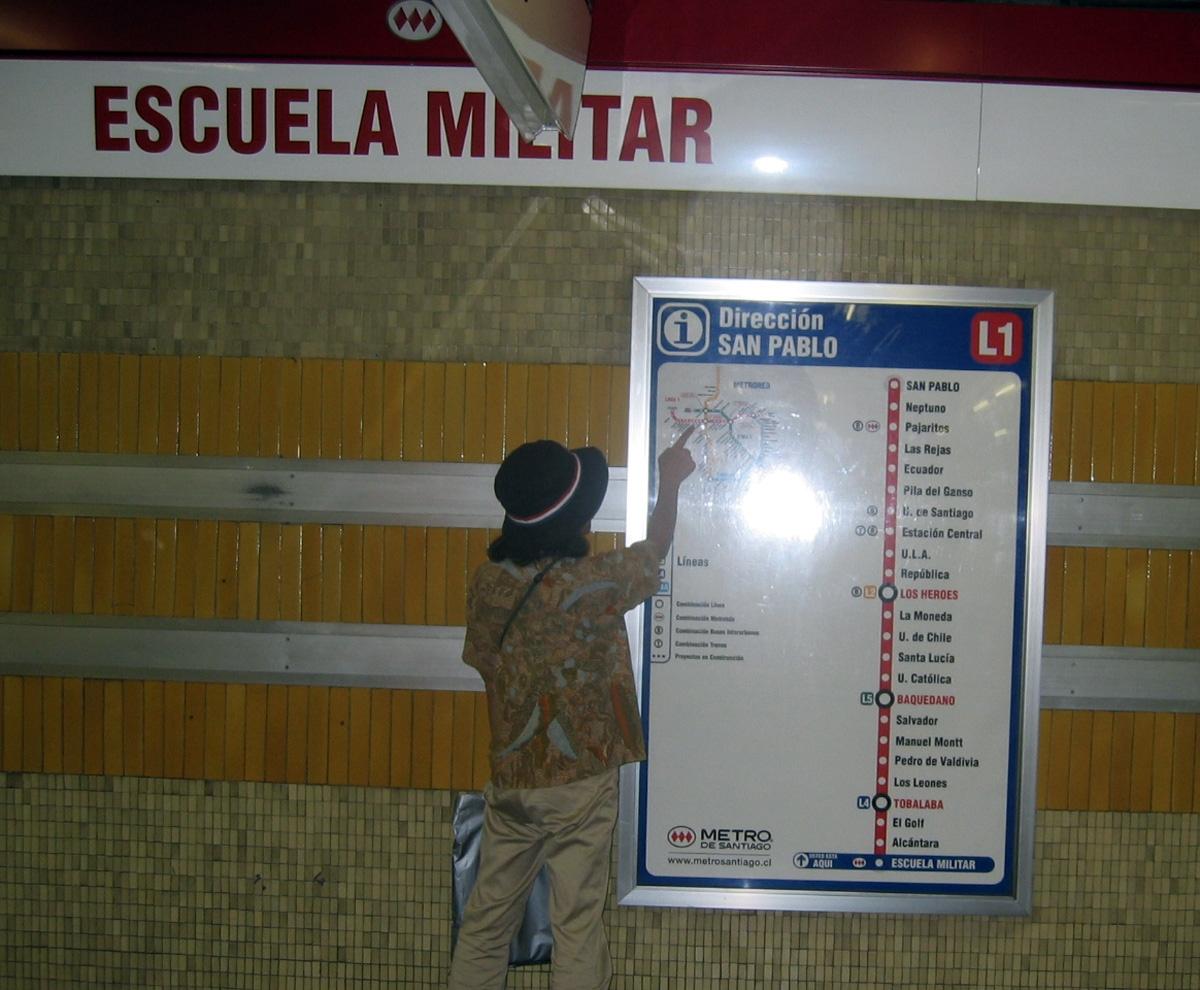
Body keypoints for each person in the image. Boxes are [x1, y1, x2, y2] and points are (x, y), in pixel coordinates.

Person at [448, 428, 696, 990]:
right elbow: (654, 548)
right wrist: (670, 482)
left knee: (486, 923)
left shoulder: (487, 584)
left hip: (512, 778)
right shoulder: (593, 582)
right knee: (576, 925)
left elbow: (486, 668)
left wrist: (511, 751)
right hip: (579, 780)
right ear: (574, 519)